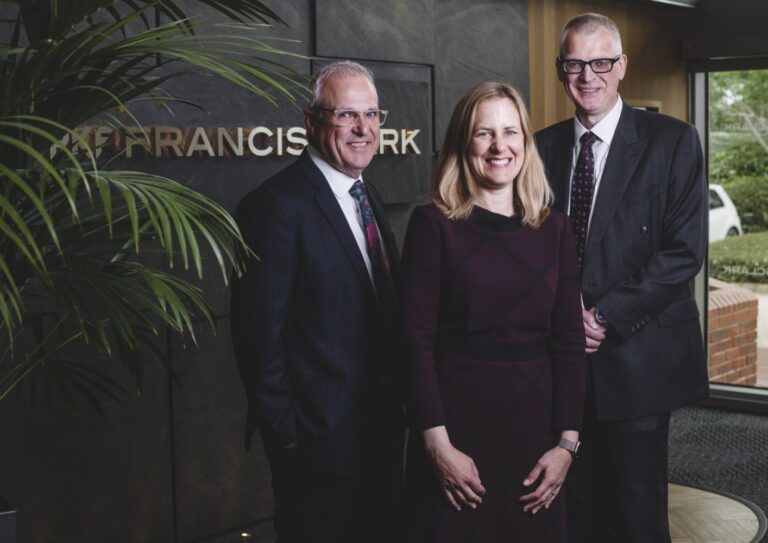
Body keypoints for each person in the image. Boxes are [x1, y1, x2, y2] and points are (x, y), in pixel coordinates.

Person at [535, 13, 709, 543]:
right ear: (561, 69)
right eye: (574, 64)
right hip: (558, 365)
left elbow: (683, 252)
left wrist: (604, 315)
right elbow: (528, 249)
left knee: (636, 519)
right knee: (572, 514)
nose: (588, 75)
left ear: (621, 67)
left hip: (637, 361)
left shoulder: (673, 141)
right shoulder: (539, 148)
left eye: (600, 62)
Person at [401, 81, 586, 542]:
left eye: (510, 132)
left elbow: (567, 343)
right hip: (456, 433)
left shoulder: (554, 229)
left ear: (526, 141)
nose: (499, 146)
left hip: (537, 439)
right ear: (465, 143)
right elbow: (414, 342)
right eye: (484, 133)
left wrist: (567, 445)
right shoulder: (434, 225)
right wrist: (437, 446)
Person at [230, 60, 405, 543]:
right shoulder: (275, 206)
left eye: (372, 115)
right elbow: (256, 338)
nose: (363, 129)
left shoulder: (367, 196)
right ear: (311, 120)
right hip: (317, 449)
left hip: (383, 435)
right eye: (346, 115)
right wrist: (287, 439)